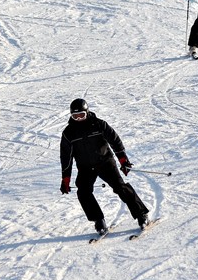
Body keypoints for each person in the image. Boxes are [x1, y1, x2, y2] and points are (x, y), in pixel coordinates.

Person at [59, 98, 150, 235]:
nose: (78, 119)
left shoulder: (99, 125)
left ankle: (141, 215)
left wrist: (123, 160)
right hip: (85, 168)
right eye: (75, 116)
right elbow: (66, 157)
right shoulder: (69, 133)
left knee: (120, 187)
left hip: (105, 162)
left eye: (81, 115)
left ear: (87, 113)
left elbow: (115, 141)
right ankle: (99, 220)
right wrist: (65, 178)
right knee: (83, 192)